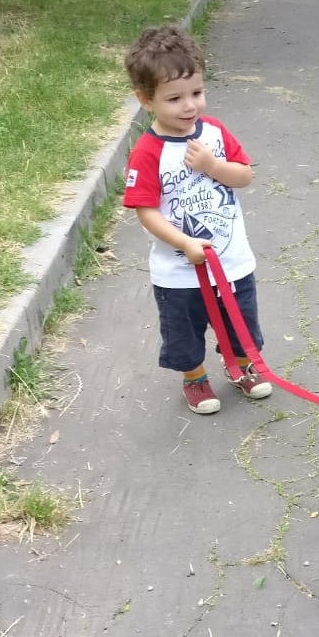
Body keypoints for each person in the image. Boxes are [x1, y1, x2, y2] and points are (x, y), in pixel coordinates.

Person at [122, 24, 272, 414]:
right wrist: (184, 243)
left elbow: (245, 175)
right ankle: (195, 379)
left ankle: (240, 368)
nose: (189, 106)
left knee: (241, 324)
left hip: (231, 261)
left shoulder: (215, 133)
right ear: (146, 99)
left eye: (197, 93)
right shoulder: (148, 151)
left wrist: (212, 165)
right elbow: (146, 211)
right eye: (174, 98)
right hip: (180, 271)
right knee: (184, 335)